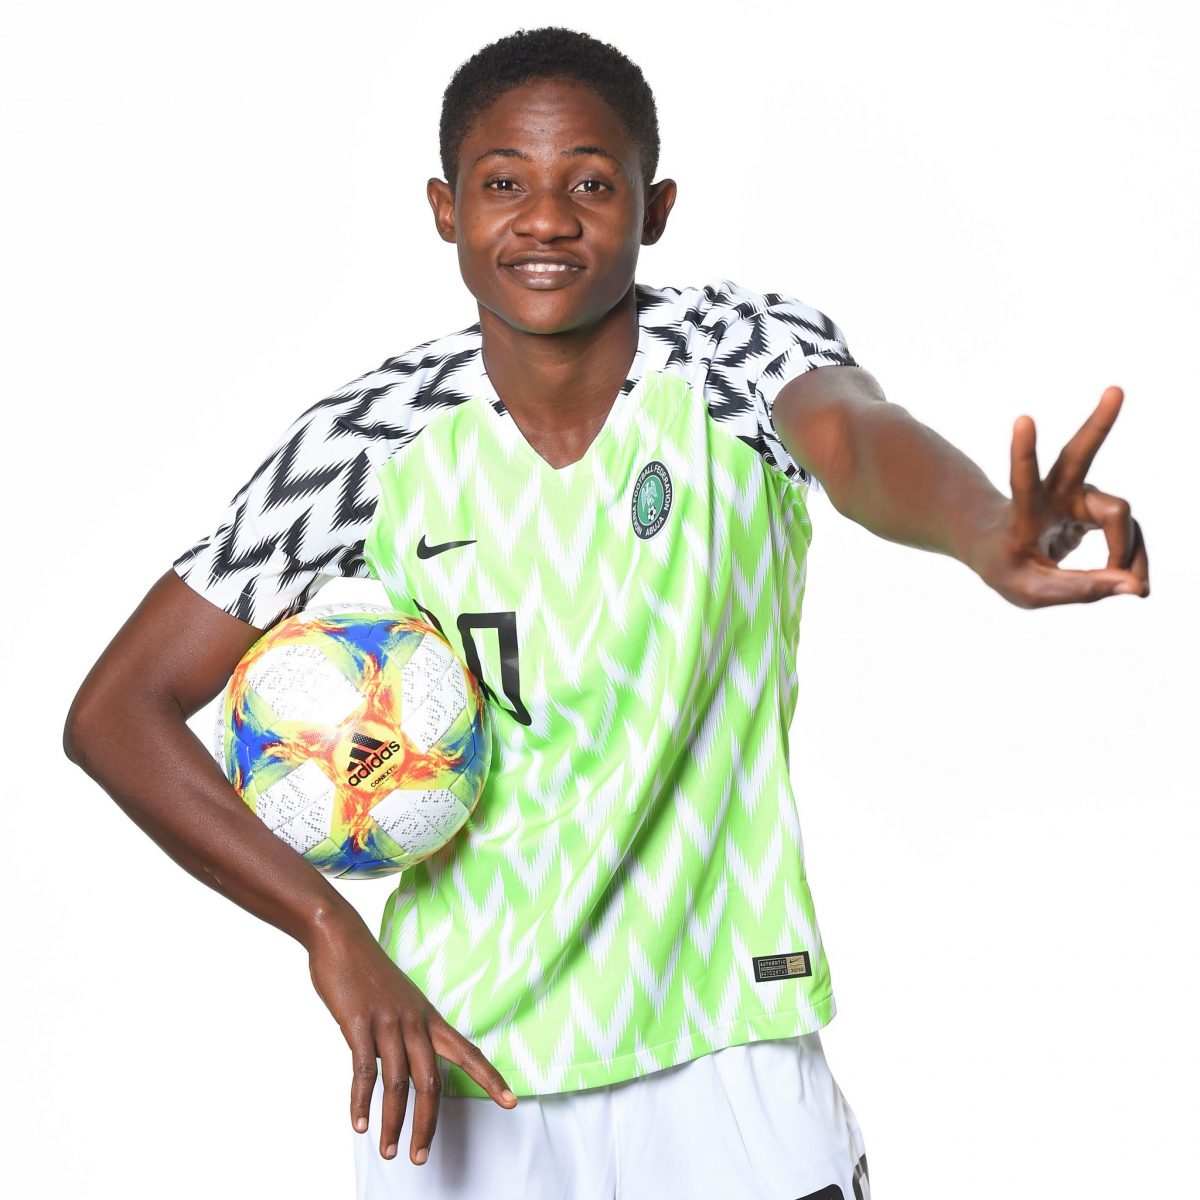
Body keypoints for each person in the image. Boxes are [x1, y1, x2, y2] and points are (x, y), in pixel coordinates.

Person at [62, 25, 1148, 1200]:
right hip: (462, 1056)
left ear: (654, 207)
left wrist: (984, 525)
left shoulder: (735, 354)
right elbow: (119, 711)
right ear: (444, 209)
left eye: (590, 183)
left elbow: (855, 439)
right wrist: (329, 929)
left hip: (725, 1037)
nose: (545, 219)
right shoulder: (373, 437)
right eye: (503, 185)